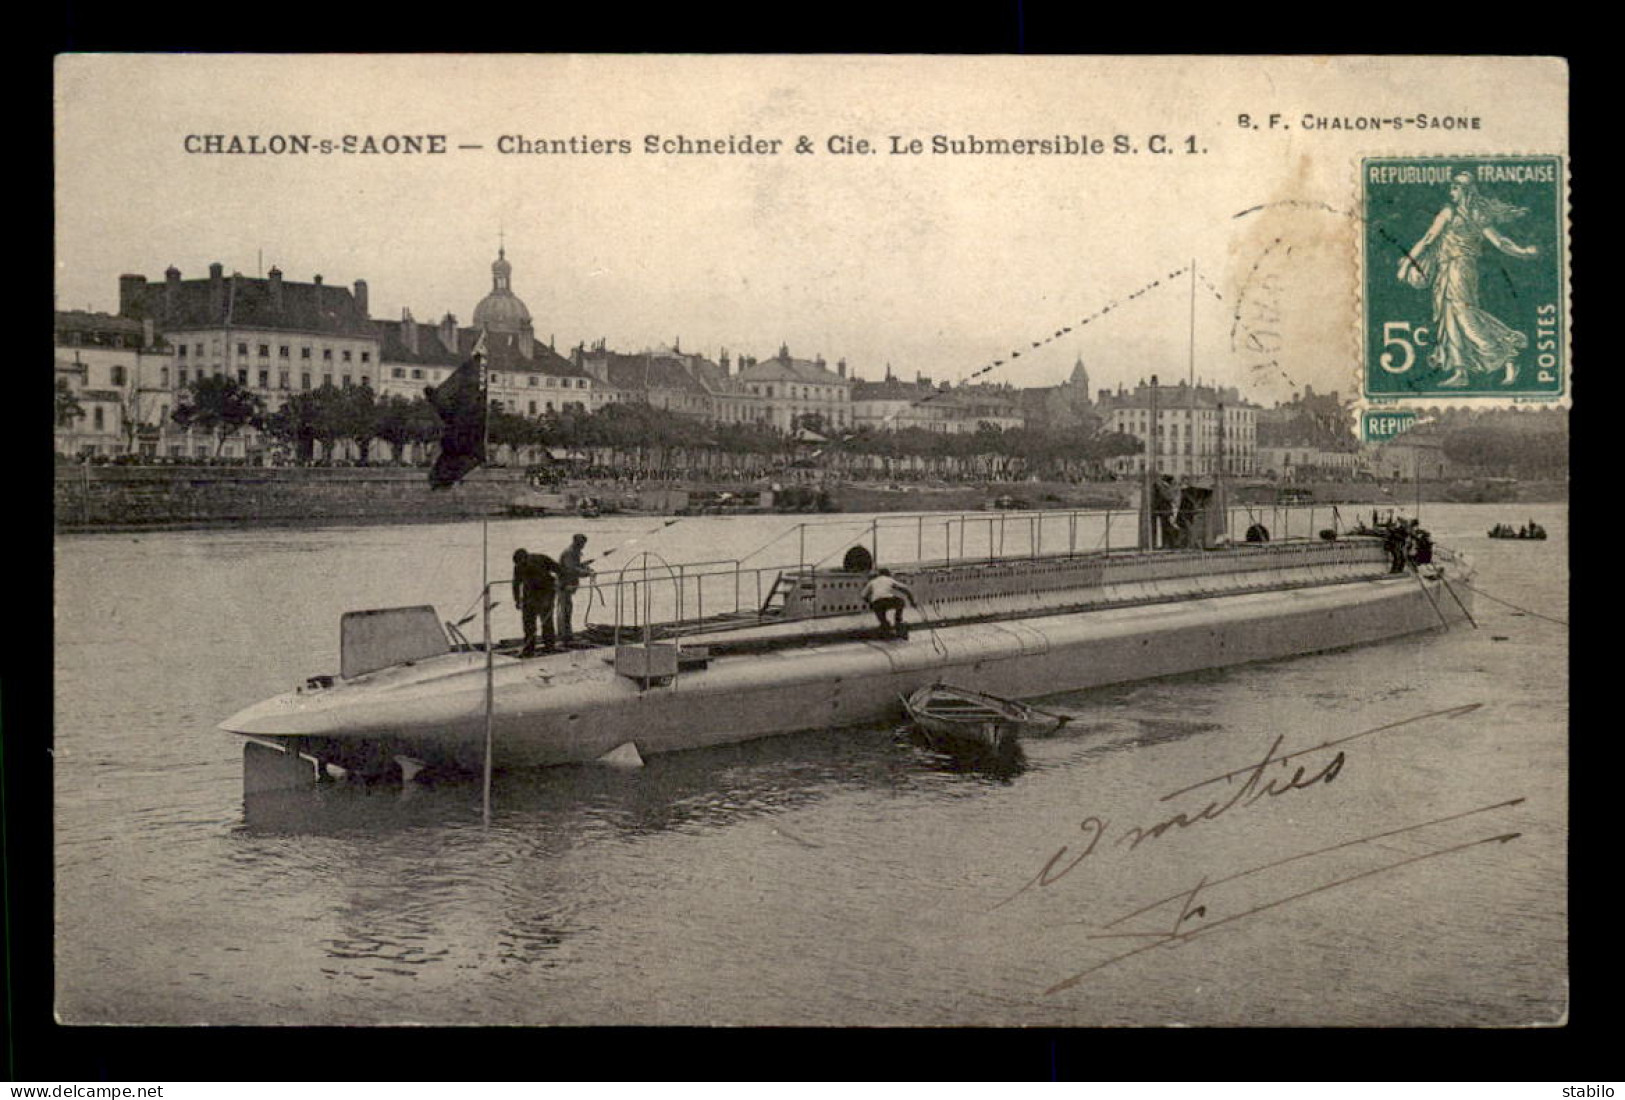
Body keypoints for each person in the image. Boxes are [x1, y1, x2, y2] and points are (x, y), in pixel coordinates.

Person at [1398, 171, 1540, 388]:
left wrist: (1522, 252)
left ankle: (1506, 353)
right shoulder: (1465, 213)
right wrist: (1522, 252)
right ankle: (1460, 371)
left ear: (1465, 190)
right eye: (1452, 187)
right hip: (1448, 268)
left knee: (1465, 315)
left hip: (1461, 268)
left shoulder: (1464, 213)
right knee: (1449, 317)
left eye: (1455, 188)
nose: (1451, 192)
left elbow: (1499, 242)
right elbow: (1430, 239)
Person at [511, 548, 560, 657]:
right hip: (529, 597)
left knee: (546, 622)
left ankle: (549, 647)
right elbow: (516, 583)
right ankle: (529, 649)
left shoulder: (541, 559)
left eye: (523, 563)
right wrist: (517, 600)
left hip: (545, 594)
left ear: (527, 558)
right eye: (519, 564)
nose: (522, 565)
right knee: (528, 624)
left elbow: (559, 569)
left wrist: (559, 584)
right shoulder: (518, 567)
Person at [556, 533, 595, 646]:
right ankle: (564, 636)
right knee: (565, 610)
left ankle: (566, 634)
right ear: (577, 542)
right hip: (564, 585)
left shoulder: (574, 553)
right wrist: (586, 573)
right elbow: (571, 569)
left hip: (569, 585)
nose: (583, 546)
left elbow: (575, 566)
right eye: (582, 544)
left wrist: (585, 566)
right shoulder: (569, 553)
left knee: (567, 609)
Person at [861, 568, 916, 637]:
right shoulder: (889, 579)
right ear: (887, 574)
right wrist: (912, 601)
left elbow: (863, 595)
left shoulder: (872, 581)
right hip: (888, 600)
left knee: (881, 614)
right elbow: (905, 589)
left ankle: (884, 624)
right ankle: (898, 621)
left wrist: (870, 602)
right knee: (901, 602)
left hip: (876, 603)